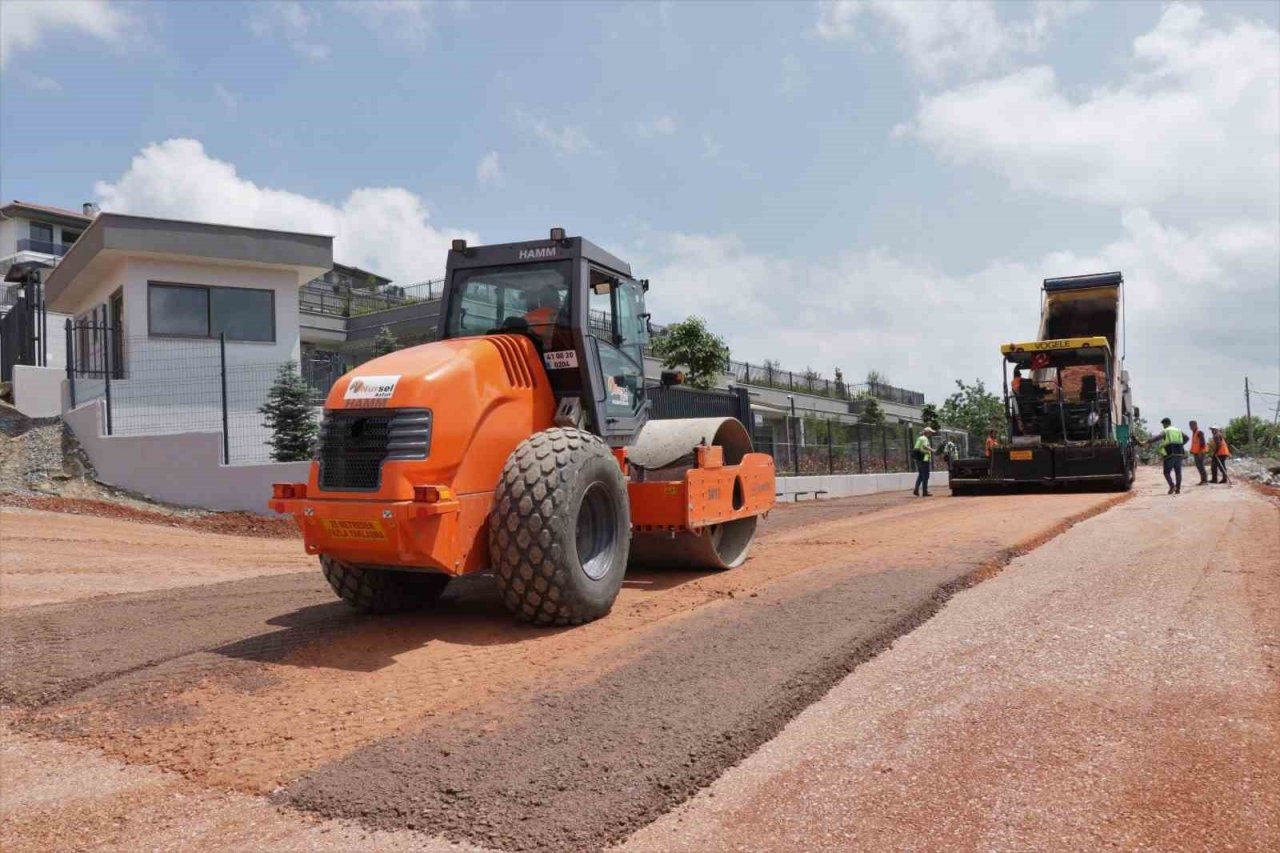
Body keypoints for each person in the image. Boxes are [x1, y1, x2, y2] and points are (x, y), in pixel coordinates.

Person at [1147, 417, 1187, 494]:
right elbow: (1187, 438)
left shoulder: (1166, 430)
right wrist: (1180, 444)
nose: (1163, 426)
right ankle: (1178, 489)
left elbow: (1158, 437)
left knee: (1166, 472)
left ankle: (1172, 486)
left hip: (1170, 453)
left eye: (1163, 425)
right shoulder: (1178, 430)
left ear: (1165, 424)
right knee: (1178, 472)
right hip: (1179, 453)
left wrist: (1149, 441)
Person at [913, 427, 936, 497]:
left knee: (921, 475)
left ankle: (916, 489)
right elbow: (924, 446)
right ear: (927, 432)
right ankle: (925, 492)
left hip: (918, 459)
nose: (931, 434)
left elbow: (917, 448)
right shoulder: (925, 438)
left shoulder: (919, 438)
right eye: (931, 432)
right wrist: (933, 450)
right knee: (925, 476)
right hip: (924, 459)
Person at [1188, 420, 1208, 485]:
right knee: (1199, 466)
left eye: (1192, 425)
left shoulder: (1199, 432)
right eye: (1190, 425)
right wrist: (1192, 451)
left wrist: (1201, 452)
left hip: (1200, 452)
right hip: (1196, 453)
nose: (1190, 427)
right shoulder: (1194, 433)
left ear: (1196, 425)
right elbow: (1195, 443)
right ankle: (1203, 480)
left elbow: (1202, 443)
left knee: (1201, 466)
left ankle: (1205, 481)